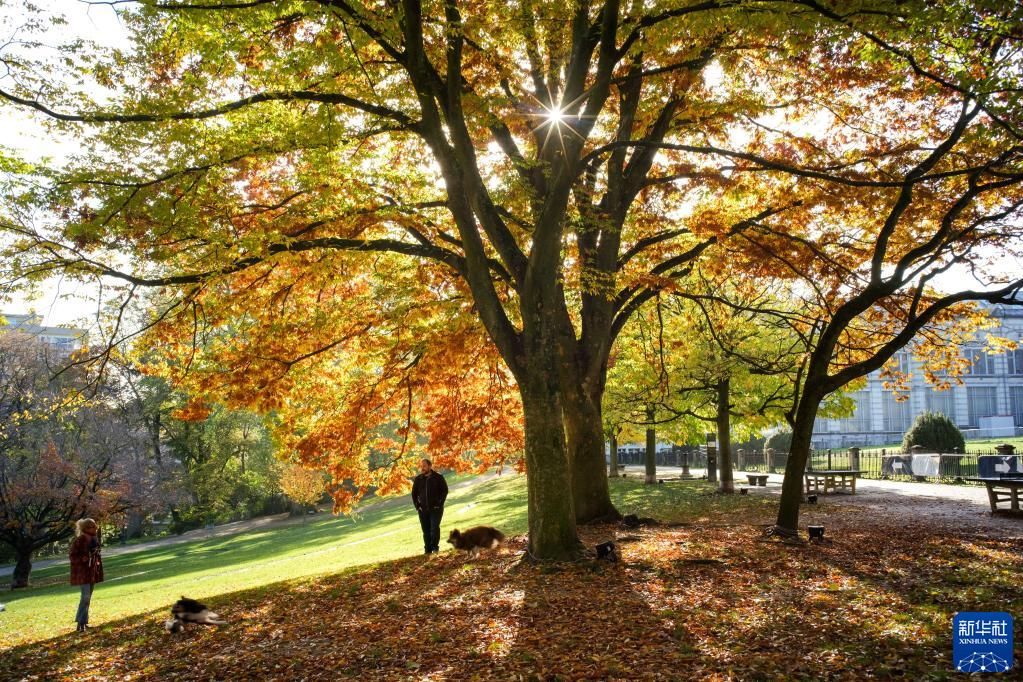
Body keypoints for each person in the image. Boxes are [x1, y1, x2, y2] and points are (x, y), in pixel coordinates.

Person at [69, 518, 104, 632]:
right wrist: (83, 559)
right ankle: (80, 623)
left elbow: (96, 554)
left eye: (95, 526)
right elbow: (72, 556)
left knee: (87, 599)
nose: (95, 528)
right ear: (86, 528)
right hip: (82, 573)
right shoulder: (80, 540)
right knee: (85, 598)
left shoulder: (94, 539)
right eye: (92, 527)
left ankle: (83, 622)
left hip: (92, 572)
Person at [411, 458, 448, 554]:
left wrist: (439, 504)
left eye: (424, 466)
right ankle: (427, 549)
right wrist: (417, 506)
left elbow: (445, 491)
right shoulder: (418, 479)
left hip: (436, 509)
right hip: (422, 510)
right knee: (426, 530)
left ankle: (435, 547)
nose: (422, 468)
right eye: (421, 466)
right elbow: (414, 494)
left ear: (430, 466)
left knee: (434, 528)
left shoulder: (438, 477)